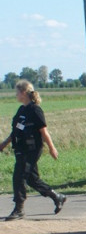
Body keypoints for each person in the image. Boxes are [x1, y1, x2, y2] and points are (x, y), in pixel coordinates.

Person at [0, 80, 66, 221]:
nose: (16, 95)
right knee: (32, 179)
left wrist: (52, 148)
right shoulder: (21, 110)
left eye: (17, 92)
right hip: (21, 148)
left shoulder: (35, 110)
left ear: (23, 93)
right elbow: (16, 131)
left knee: (19, 176)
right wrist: (4, 143)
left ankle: (19, 209)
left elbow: (44, 131)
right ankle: (57, 196)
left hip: (32, 149)